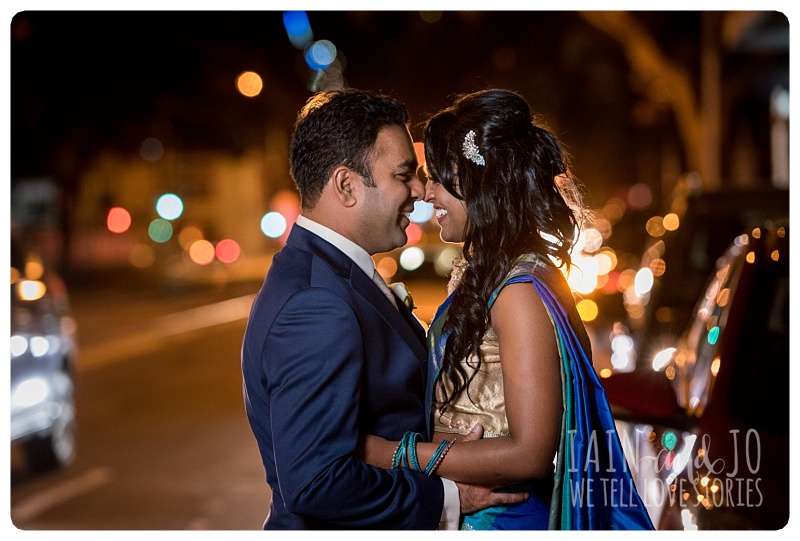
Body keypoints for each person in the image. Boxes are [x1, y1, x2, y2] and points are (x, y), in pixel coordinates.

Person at [360, 89, 655, 530]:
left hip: (507, 522)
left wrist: (387, 453)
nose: (427, 193)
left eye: (440, 177)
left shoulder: (518, 290)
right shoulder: (492, 276)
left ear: (481, 184)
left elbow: (529, 453)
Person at [240, 88, 527, 530]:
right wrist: (450, 497)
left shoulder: (333, 276)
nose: (420, 191)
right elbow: (318, 481)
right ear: (346, 185)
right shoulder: (315, 304)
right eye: (403, 175)